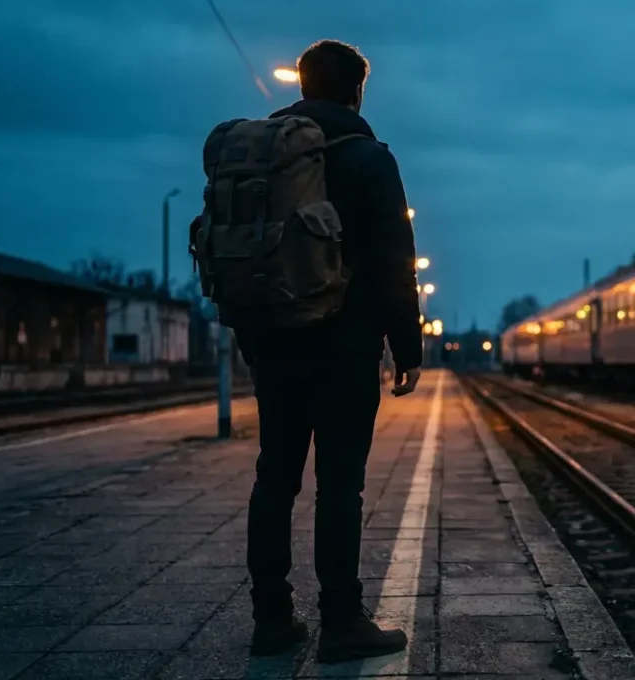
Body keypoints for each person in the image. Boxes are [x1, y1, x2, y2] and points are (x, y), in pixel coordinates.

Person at [237, 39, 424, 663]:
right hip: (344, 344)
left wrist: (251, 331)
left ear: (303, 84)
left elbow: (242, 246)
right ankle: (342, 622)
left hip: (273, 340)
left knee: (274, 477)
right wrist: (407, 347)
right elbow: (395, 260)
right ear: (357, 91)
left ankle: (271, 619)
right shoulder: (368, 157)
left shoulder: (260, 153)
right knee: (339, 485)